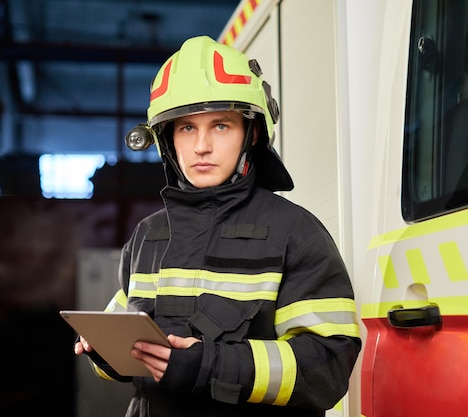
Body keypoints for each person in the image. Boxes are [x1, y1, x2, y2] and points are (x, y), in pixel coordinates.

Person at [74, 35, 361, 417]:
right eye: (186, 128)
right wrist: (106, 353)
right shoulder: (146, 237)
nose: (201, 146)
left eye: (221, 126)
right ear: (166, 139)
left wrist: (209, 366)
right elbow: (128, 342)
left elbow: (327, 366)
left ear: (252, 133)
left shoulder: (296, 233)